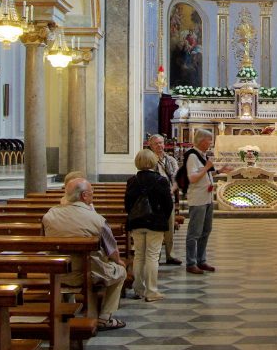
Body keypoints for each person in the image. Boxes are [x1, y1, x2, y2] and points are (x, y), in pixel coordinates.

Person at [42, 178, 127, 330]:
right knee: (121, 271)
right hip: (90, 273)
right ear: (84, 196)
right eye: (91, 192)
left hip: (58, 272)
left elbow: (43, 240)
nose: (93, 195)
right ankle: (105, 317)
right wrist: (118, 261)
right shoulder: (97, 219)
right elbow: (112, 250)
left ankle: (68, 307)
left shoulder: (49, 216)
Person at [125, 149, 174, 302]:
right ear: (153, 162)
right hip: (155, 222)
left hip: (137, 221)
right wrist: (163, 218)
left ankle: (138, 289)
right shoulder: (161, 180)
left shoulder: (132, 181)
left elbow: (128, 204)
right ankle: (151, 291)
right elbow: (168, 204)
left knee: (139, 255)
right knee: (152, 256)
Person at [184, 129, 230, 274]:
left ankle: (201, 260)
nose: (211, 143)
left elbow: (204, 174)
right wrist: (207, 167)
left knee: (206, 230)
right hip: (198, 198)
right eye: (209, 140)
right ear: (202, 141)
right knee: (194, 232)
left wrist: (219, 171)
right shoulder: (192, 156)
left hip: (207, 198)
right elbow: (192, 178)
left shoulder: (201, 155)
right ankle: (191, 262)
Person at [147, 134, 182, 265]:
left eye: (161, 143)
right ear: (150, 145)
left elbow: (176, 179)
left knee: (169, 228)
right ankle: (155, 255)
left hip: (168, 198)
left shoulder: (171, 160)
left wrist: (172, 190)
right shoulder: (148, 160)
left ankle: (170, 255)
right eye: (156, 143)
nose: (159, 146)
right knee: (155, 228)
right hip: (153, 200)